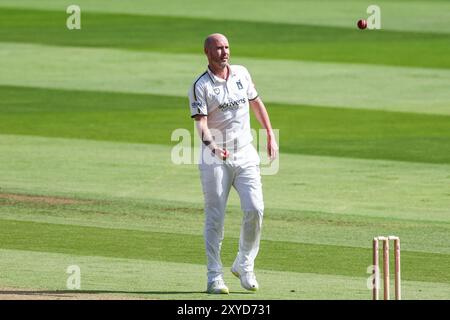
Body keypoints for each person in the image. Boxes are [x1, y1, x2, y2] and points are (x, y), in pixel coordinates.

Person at [188, 33, 278, 294]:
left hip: (246, 152)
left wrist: (270, 134)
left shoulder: (241, 73)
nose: (224, 52)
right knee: (215, 218)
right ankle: (214, 276)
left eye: (226, 47)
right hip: (214, 157)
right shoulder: (200, 85)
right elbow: (201, 124)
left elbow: (256, 102)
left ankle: (244, 264)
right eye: (218, 48)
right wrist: (213, 147)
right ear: (207, 52)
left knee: (255, 209)